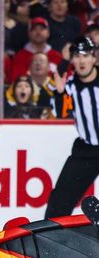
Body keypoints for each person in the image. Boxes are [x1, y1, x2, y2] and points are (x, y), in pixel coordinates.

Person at [46, 36, 99, 218]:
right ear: (72, 60)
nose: (82, 60)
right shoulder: (69, 86)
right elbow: (60, 113)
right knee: (59, 202)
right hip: (86, 151)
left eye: (85, 55)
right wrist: (60, 93)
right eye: (77, 55)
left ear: (94, 57)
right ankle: (51, 241)